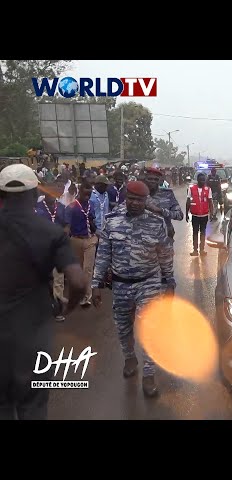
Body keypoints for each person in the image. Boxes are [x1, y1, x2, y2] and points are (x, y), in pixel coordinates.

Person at [0, 164, 86, 420]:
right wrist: (67, 307)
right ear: (33, 192)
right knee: (33, 406)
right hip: (34, 335)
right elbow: (79, 282)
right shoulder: (50, 233)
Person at [91, 181, 176, 398]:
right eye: (131, 198)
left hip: (148, 282)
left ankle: (149, 374)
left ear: (146, 200)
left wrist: (169, 281)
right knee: (123, 326)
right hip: (120, 284)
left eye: (140, 199)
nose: (135, 203)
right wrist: (95, 284)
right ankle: (129, 357)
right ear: (125, 197)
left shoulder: (156, 223)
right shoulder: (112, 221)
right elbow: (103, 255)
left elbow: (165, 254)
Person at [35, 180, 68, 321]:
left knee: (59, 280)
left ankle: (58, 310)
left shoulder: (61, 207)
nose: (52, 195)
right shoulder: (36, 208)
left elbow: (66, 225)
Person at [65, 181, 98, 306]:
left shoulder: (92, 205)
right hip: (75, 240)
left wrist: (96, 231)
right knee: (77, 269)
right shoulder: (71, 207)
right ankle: (77, 294)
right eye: (85, 194)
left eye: (89, 195)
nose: (87, 197)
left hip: (90, 239)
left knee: (88, 269)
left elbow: (93, 222)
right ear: (80, 191)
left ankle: (86, 297)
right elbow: (67, 226)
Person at [143, 167, 184, 239]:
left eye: (156, 179)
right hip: (142, 237)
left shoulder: (167, 194)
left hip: (164, 237)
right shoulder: (138, 194)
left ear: (159, 181)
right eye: (150, 179)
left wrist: (160, 210)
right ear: (145, 180)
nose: (153, 181)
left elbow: (179, 215)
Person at [186, 173, 215, 256]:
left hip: (204, 215)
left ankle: (202, 250)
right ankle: (195, 250)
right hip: (195, 216)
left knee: (203, 232)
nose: (202, 181)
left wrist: (212, 213)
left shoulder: (208, 189)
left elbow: (210, 202)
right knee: (195, 232)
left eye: (204, 180)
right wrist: (187, 213)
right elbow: (188, 202)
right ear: (198, 180)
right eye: (201, 180)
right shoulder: (191, 189)